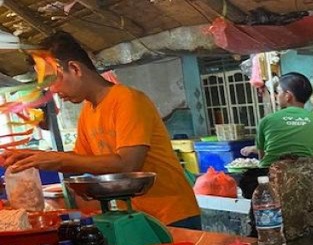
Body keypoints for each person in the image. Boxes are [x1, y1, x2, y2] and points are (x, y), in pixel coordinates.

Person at [2, 32, 201, 229]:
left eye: (52, 80)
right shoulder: (88, 111)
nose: (52, 90)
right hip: (135, 215)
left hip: (171, 213)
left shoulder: (127, 99)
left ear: (74, 68)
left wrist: (57, 159)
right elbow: (81, 160)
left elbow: (128, 164)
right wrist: (37, 157)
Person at [239, 72, 313, 235]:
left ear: (288, 95)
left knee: (265, 229)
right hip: (302, 180)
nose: (277, 95)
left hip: (267, 183)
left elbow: (263, 156)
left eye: (278, 92)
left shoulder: (267, 121)